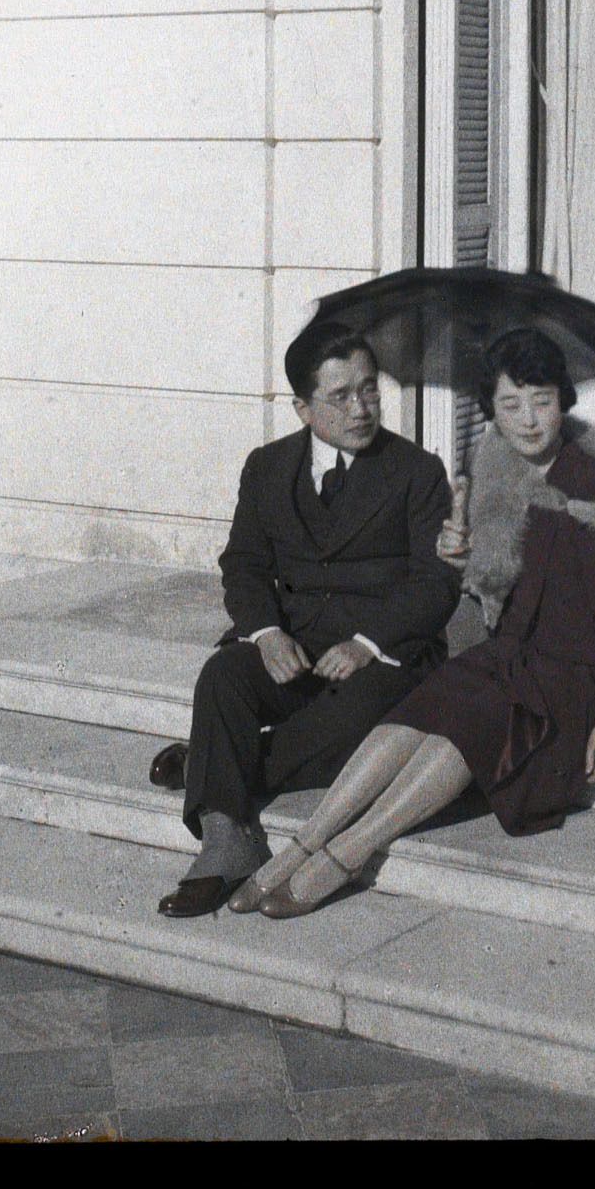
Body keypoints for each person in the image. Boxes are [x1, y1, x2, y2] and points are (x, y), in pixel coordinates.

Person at [226, 327, 595, 919]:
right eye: (510, 405)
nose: (528, 421)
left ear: (564, 400)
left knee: (465, 726)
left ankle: (346, 852)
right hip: (514, 654)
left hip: (573, 681)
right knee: (421, 708)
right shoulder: (500, 470)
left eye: (542, 401)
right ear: (492, 411)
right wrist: (460, 553)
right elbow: (504, 582)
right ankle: (301, 844)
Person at [155, 323, 461, 918]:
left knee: (358, 727)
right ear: (302, 407)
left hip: (384, 653)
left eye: (370, 390)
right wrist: (266, 634)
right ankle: (225, 842)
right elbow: (242, 565)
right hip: (294, 642)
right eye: (341, 396)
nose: (362, 408)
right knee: (223, 677)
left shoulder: (416, 472)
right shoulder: (268, 467)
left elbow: (437, 583)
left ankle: (208, 766)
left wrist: (367, 643)